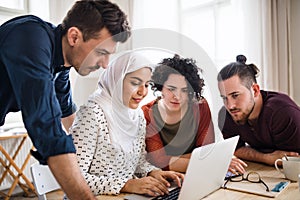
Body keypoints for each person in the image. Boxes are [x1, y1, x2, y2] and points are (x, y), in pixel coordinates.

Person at [0, 0, 130, 199]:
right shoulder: (31, 38)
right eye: (101, 53)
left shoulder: (61, 67)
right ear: (74, 36)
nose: (105, 65)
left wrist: (117, 174)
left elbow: (72, 122)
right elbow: (47, 125)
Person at [70, 52, 184, 197]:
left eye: (147, 84)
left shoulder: (137, 116)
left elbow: (138, 162)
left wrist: (154, 172)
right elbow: (74, 179)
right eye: (135, 83)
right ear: (117, 80)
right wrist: (127, 184)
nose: (143, 92)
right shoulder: (92, 114)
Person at [142, 54, 247, 174]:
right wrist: (214, 161)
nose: (177, 96)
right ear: (161, 87)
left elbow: (205, 151)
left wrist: (172, 160)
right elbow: (159, 161)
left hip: (199, 174)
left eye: (185, 90)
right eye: (171, 88)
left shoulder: (200, 106)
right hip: (169, 179)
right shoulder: (146, 114)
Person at [217, 55, 300, 166]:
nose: (230, 106)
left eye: (235, 95)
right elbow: (236, 149)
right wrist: (266, 158)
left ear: (255, 90)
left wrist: (272, 158)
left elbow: (292, 159)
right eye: (224, 98)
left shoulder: (282, 113)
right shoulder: (227, 115)